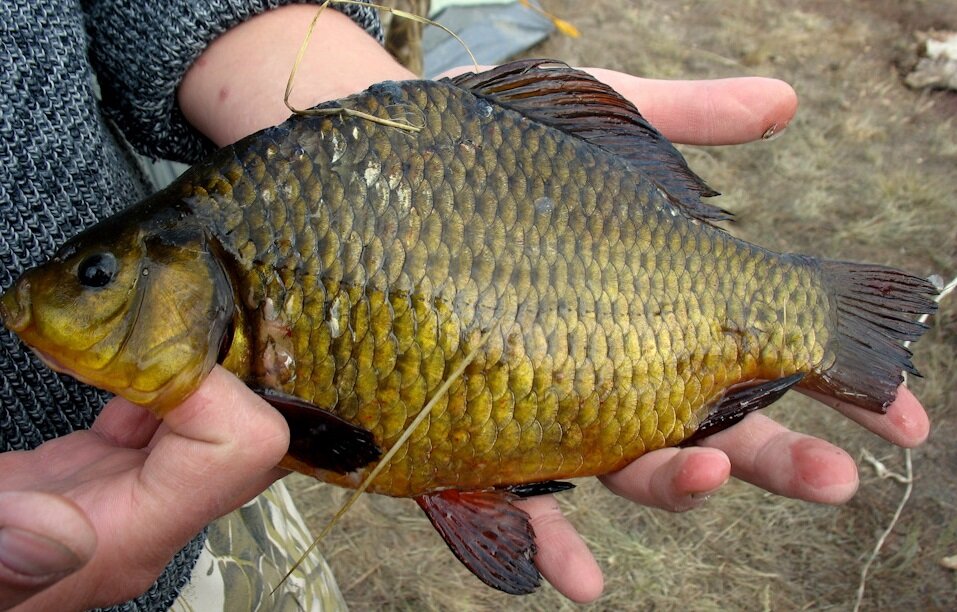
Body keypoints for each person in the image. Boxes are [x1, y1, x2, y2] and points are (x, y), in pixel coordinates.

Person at [0, 3, 931, 610]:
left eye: (98, 279)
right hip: (100, 491)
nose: (48, 301)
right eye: (100, 279)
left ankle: (827, 316)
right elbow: (343, 446)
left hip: (149, 486)